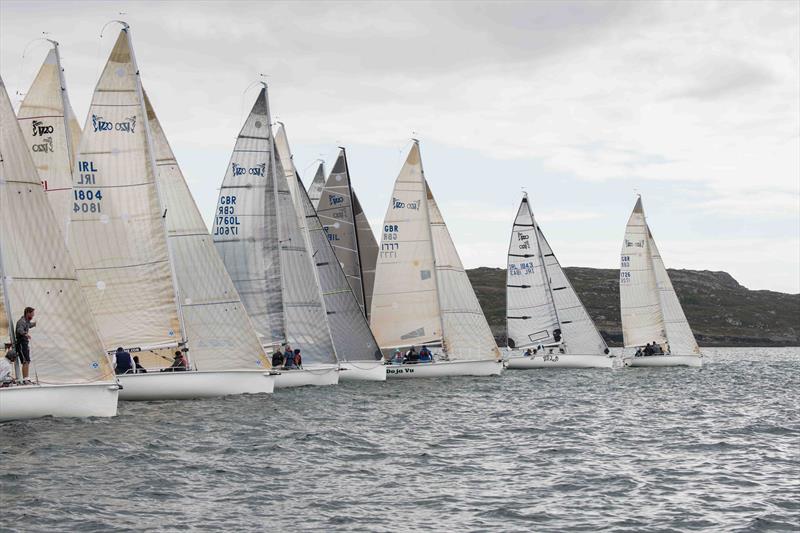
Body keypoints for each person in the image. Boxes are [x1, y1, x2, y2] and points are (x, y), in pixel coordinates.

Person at [15, 307, 36, 384]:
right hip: (21, 343)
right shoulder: (21, 321)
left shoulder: (26, 321)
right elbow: (19, 330)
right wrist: (25, 334)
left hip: (25, 344)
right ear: (28, 313)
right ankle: (25, 380)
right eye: (32, 314)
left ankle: (26, 378)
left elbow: (29, 325)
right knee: (25, 361)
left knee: (27, 360)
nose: (33, 316)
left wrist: (35, 324)